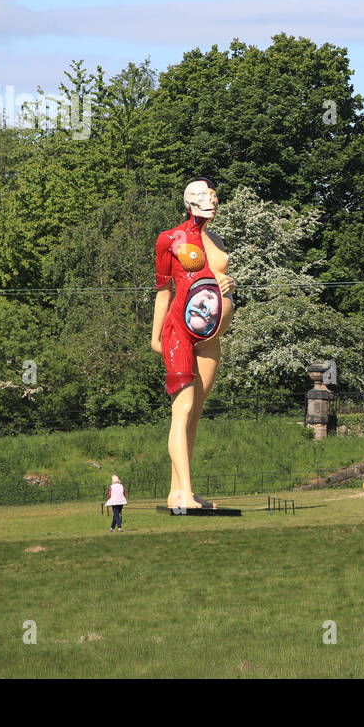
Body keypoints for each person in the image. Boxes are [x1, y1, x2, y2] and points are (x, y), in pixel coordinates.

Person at [152, 177, 237, 511]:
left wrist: (225, 283)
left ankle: (179, 491)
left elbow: (208, 278)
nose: (212, 201)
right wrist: (155, 336)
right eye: (204, 196)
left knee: (195, 413)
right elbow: (164, 290)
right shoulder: (169, 239)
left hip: (211, 336)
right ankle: (184, 493)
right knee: (182, 409)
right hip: (180, 332)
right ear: (189, 201)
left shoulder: (214, 239)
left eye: (214, 196)